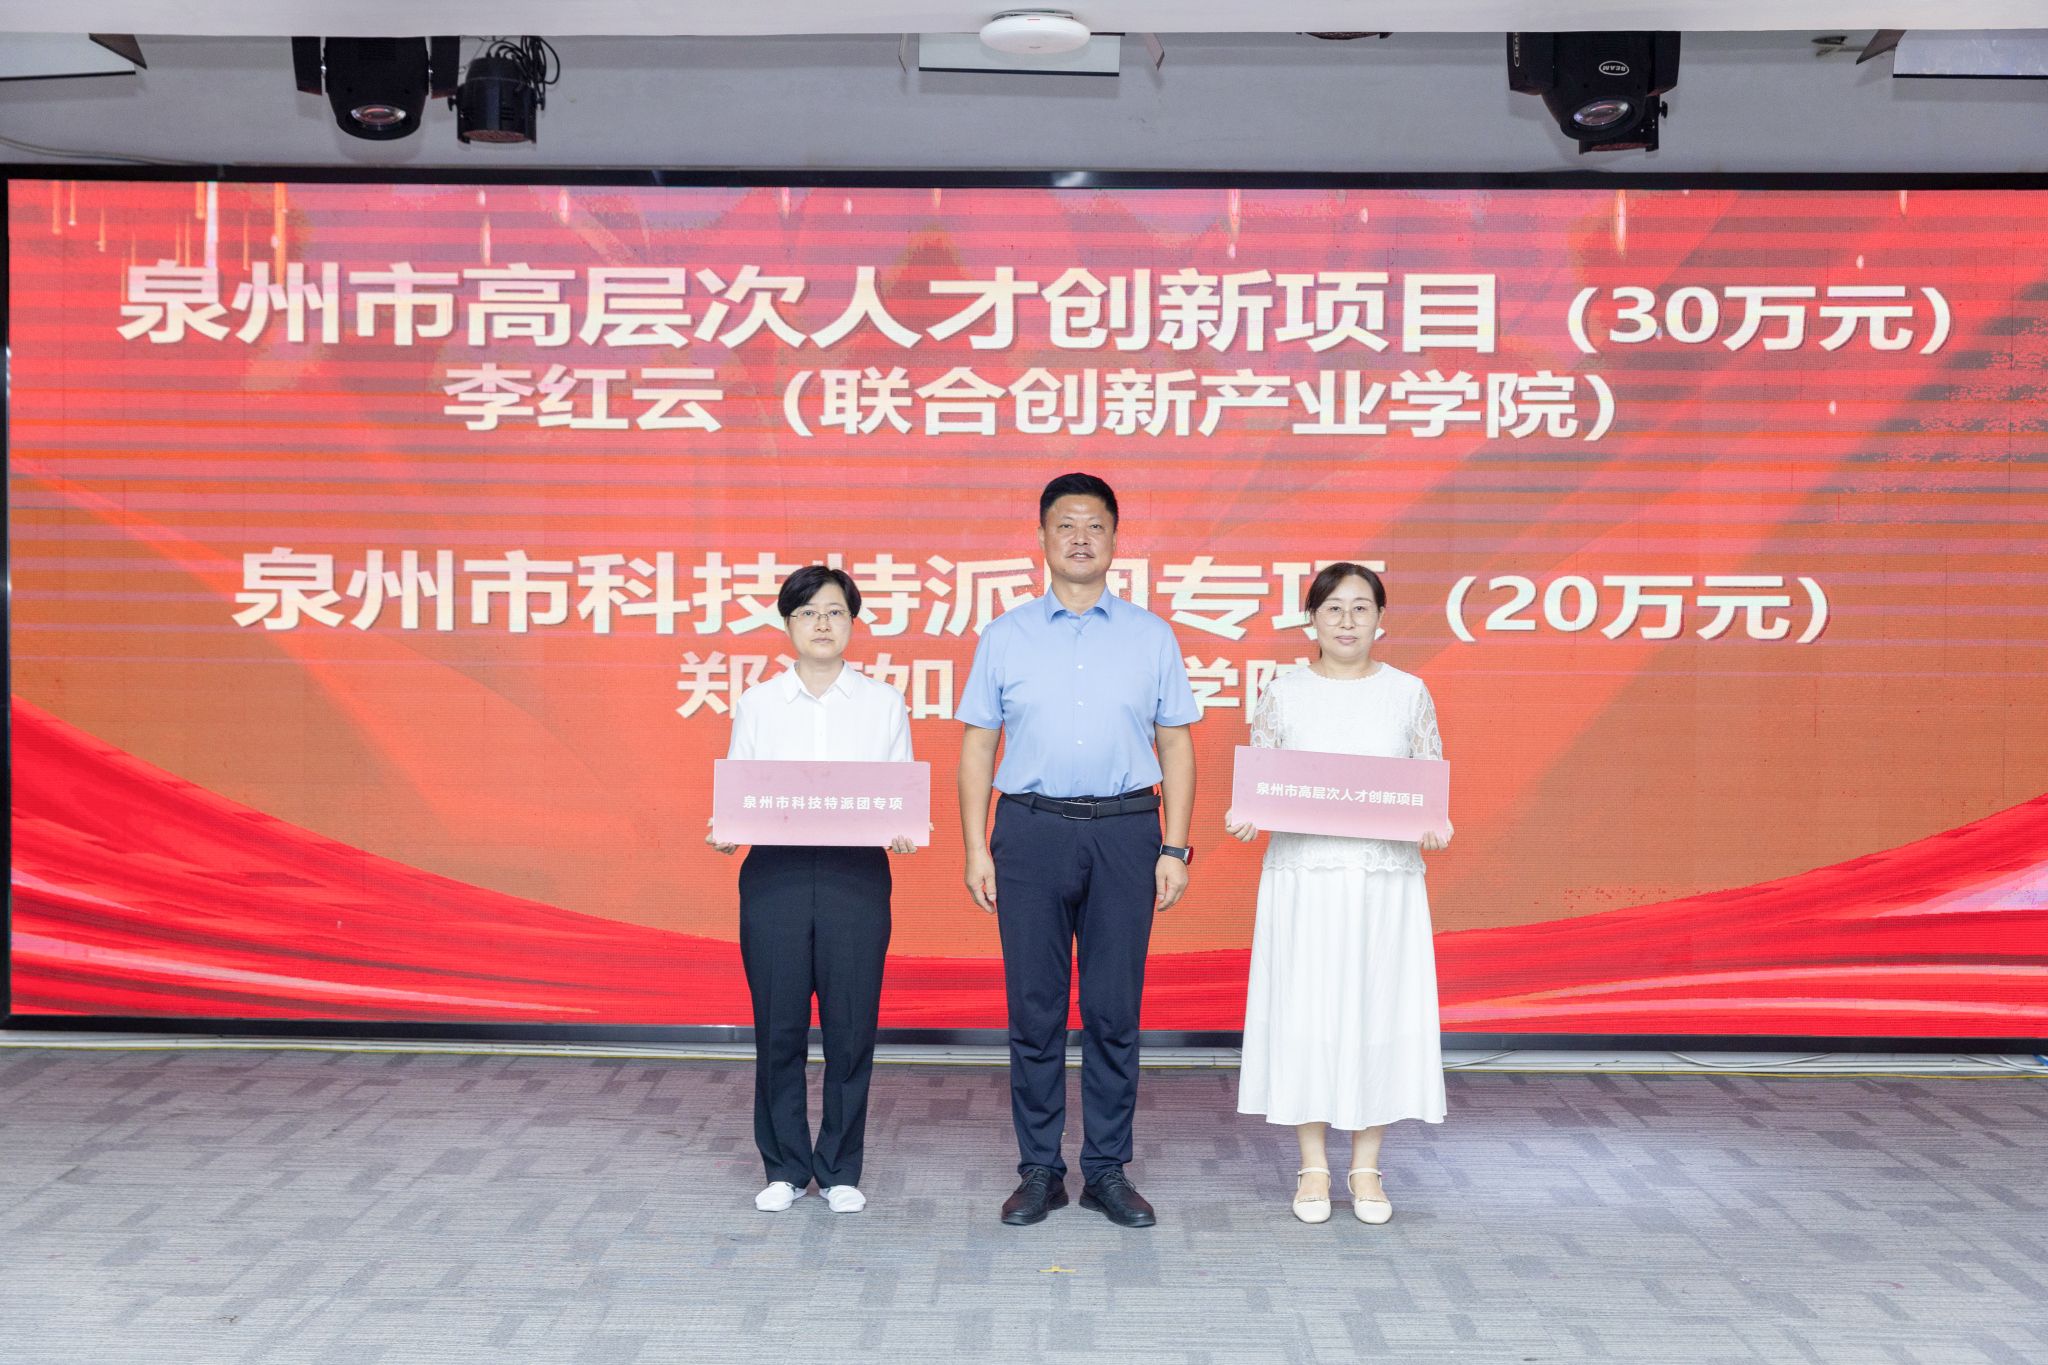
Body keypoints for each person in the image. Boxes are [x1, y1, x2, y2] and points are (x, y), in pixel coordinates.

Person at [957, 472, 1201, 1229]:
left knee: (1113, 1009)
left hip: (1126, 831)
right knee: (1033, 1008)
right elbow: (978, 745)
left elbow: (1176, 743)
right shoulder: (1005, 636)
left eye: (1095, 525)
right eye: (1065, 525)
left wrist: (1176, 846)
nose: (1080, 538)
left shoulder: (1151, 635)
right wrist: (975, 848)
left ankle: (1106, 1169)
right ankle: (1039, 1169)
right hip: (1029, 831)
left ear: (1116, 539)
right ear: (1041, 538)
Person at [1225, 563, 1450, 1225]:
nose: (1347, 621)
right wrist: (1248, 815)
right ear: (1312, 620)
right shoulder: (1284, 693)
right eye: (1333, 608)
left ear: (1381, 619)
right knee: (1309, 1011)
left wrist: (1436, 823)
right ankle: (1314, 1165)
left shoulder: (1408, 692)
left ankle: (1368, 1166)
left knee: (1378, 1007)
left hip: (1383, 881)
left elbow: (1427, 782)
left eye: (1360, 608)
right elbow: (1265, 781)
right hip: (1306, 877)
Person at [706, 564, 919, 1216]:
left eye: (834, 612)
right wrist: (726, 828)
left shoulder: (883, 702)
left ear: (852, 622)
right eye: (807, 613)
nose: (821, 624)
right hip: (777, 874)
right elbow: (742, 786)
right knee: (779, 1025)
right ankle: (785, 1167)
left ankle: (841, 1167)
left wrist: (905, 828)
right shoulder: (759, 702)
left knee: (851, 1026)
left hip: (856, 874)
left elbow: (899, 788)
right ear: (787, 623)